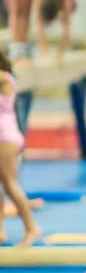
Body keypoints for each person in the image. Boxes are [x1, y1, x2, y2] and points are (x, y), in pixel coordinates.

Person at [0, 51, 39, 247]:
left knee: (10, 184)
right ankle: (0, 229)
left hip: (6, 138)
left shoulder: (5, 78)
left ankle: (31, 228)